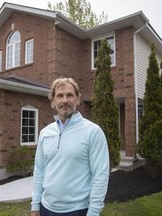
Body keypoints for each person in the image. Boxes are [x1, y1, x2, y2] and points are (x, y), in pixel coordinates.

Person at [30, 77, 110, 216]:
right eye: (59, 96)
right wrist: (35, 205)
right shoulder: (45, 133)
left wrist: (93, 212)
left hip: (77, 210)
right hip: (46, 208)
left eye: (69, 95)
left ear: (78, 99)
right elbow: (39, 170)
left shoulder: (93, 132)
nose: (65, 100)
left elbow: (100, 175)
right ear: (53, 101)